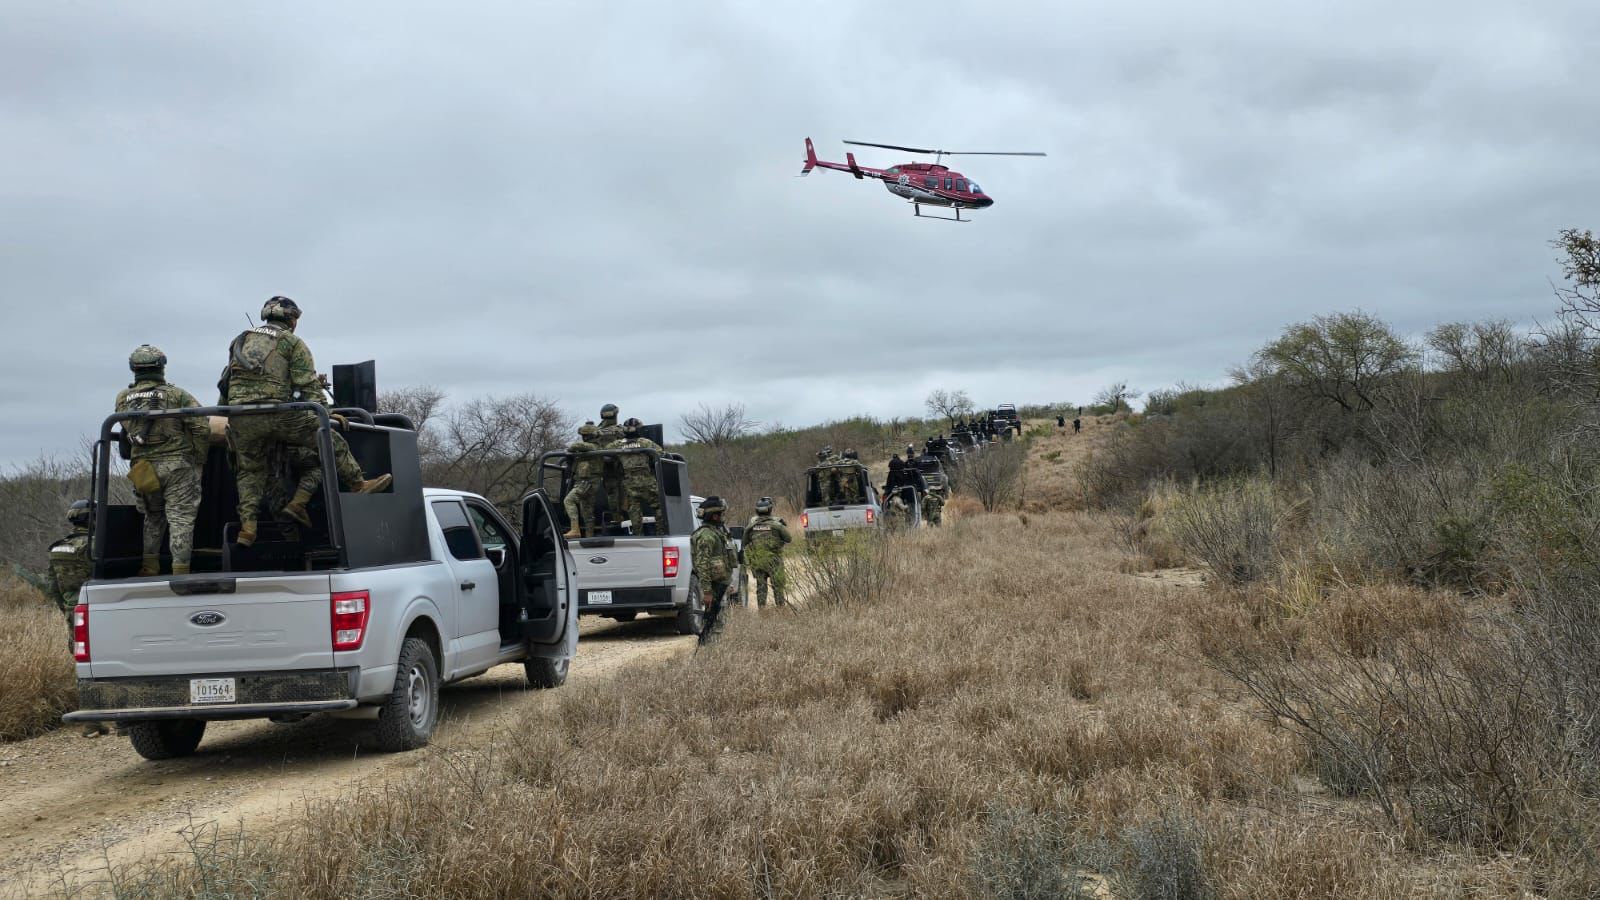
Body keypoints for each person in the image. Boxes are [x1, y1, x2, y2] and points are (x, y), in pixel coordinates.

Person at [219, 297, 391, 547]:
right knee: (329, 438)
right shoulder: (291, 341)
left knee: (249, 472)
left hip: (241, 416)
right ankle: (358, 483)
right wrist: (325, 412)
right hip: (279, 414)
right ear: (292, 319)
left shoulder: (240, 340)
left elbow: (226, 380)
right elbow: (307, 383)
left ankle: (248, 528)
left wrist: (227, 410)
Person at [116, 344, 210, 575]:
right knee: (181, 518)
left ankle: (149, 566)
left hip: (143, 469)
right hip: (177, 467)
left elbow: (126, 427)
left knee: (152, 516)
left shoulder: (122, 398)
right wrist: (199, 459)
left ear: (133, 368)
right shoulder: (177, 395)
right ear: (161, 366)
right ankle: (180, 571)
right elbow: (201, 426)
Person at [691, 496, 738, 645]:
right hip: (713, 587)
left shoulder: (717, 532)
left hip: (720, 585)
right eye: (721, 514)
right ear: (715, 516)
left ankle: (714, 651)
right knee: (713, 623)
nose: (722, 517)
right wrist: (707, 592)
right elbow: (703, 565)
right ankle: (709, 652)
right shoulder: (706, 536)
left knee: (719, 621)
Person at [743, 497, 793, 608]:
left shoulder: (751, 526)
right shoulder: (776, 525)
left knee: (761, 586)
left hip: (758, 561)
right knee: (778, 586)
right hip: (775, 561)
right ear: (770, 509)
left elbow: (744, 542)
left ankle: (762, 611)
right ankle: (780, 609)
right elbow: (789, 539)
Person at [46, 500, 93, 616]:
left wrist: (67, 609)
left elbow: (53, 587)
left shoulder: (57, 547)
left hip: (72, 610)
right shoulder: (98, 545)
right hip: (97, 609)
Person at [619, 417, 662, 534]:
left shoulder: (618, 444)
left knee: (634, 509)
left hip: (629, 484)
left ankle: (638, 534)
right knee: (659, 506)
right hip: (647, 481)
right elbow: (661, 453)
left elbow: (606, 451)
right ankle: (660, 532)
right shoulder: (645, 442)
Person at [562, 422, 601, 538]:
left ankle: (575, 530)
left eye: (585, 435)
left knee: (568, 501)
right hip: (587, 482)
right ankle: (590, 536)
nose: (584, 438)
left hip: (587, 483)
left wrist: (570, 447)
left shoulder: (593, 446)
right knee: (587, 512)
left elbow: (575, 446)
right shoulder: (589, 448)